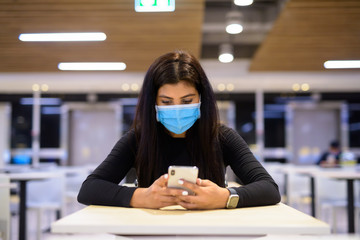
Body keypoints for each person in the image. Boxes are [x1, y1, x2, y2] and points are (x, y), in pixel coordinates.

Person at [77, 50, 281, 210]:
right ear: (153, 103)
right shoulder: (138, 139)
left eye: (187, 101)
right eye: (166, 102)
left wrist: (225, 197)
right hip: (151, 232)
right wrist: (141, 197)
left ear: (201, 99)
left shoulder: (221, 137)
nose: (176, 109)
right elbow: (89, 189)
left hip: (210, 232)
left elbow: (269, 189)